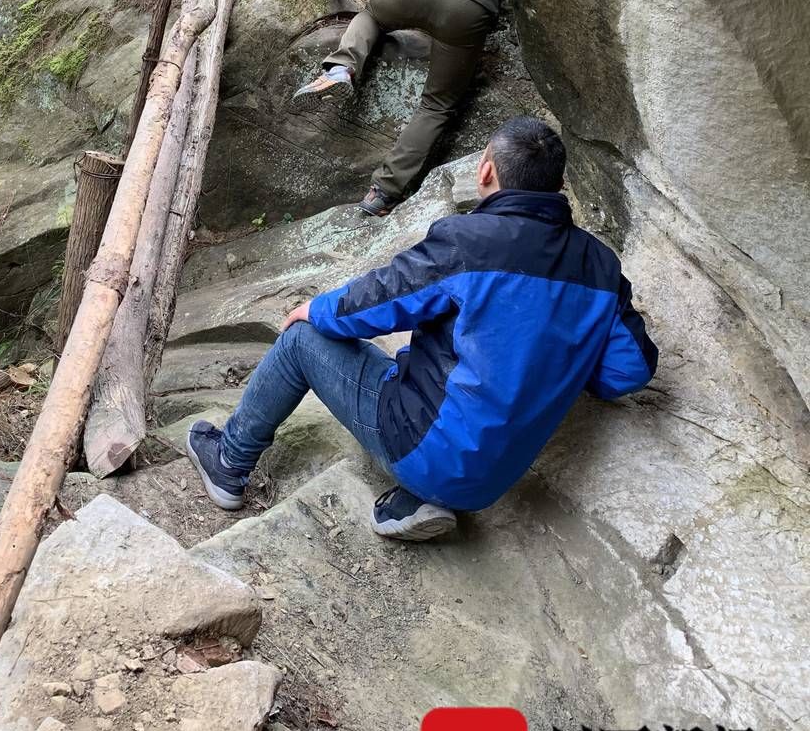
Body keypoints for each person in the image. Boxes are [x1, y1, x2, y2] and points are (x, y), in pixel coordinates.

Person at [185, 117, 658, 542]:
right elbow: (628, 371)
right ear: (557, 184)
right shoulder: (599, 266)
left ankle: (229, 462)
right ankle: (416, 503)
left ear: (487, 171)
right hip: (494, 479)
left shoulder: (468, 242)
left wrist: (316, 309)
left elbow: (380, 300)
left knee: (299, 341)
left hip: (422, 446)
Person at [292, 0, 502, 217]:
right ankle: (383, 193)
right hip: (472, 6)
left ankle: (343, 64)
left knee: (371, 15)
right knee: (437, 105)